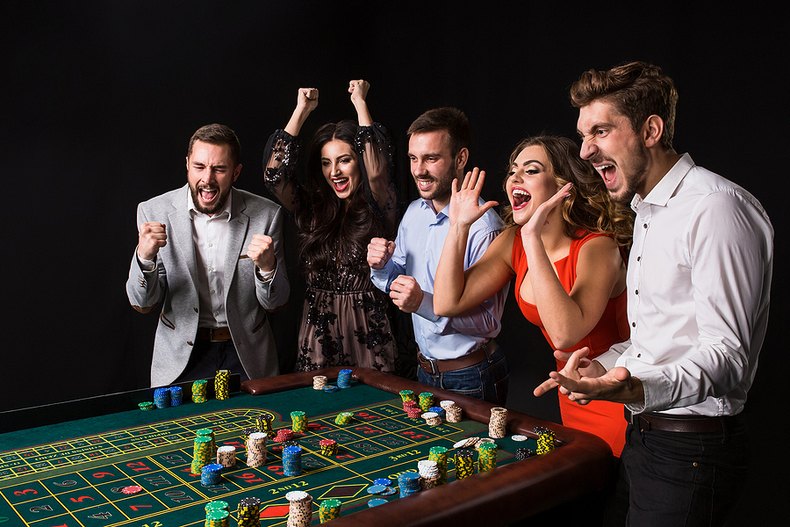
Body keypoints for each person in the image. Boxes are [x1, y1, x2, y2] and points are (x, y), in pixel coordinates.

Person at [534, 61, 774, 526]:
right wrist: (599, 366)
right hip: (644, 436)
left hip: (694, 449)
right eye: (583, 135)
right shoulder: (647, 209)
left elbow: (728, 357)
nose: (585, 151)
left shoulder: (715, 208)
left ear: (650, 129)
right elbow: (657, 340)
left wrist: (635, 386)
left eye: (600, 131)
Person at [433, 135, 634, 457]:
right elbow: (447, 303)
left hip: (617, 391)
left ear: (563, 187)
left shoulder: (598, 246)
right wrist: (458, 227)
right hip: (571, 391)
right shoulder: (514, 241)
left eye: (531, 170)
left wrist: (531, 239)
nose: (515, 178)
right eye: (513, 171)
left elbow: (566, 332)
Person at [126, 123, 290, 387]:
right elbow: (142, 302)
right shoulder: (152, 211)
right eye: (200, 167)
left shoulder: (267, 215)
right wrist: (144, 257)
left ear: (236, 172)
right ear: (187, 165)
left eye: (219, 169)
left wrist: (268, 268)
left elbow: (276, 302)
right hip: (181, 359)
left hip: (247, 356)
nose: (208, 179)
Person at [367, 107, 509, 405]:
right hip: (424, 371)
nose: (419, 170)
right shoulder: (414, 212)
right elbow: (399, 284)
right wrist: (382, 267)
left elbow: (488, 321)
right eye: (413, 159)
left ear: (460, 159)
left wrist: (424, 303)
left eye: (431, 158)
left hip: (471, 375)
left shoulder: (485, 227)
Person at [262, 80, 399, 372]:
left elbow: (376, 172)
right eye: (326, 163)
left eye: (344, 161)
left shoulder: (380, 203)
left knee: (371, 413)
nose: (334, 172)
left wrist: (361, 103)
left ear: (359, 161)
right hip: (317, 332)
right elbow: (274, 176)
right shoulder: (312, 208)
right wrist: (301, 111)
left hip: (367, 330)